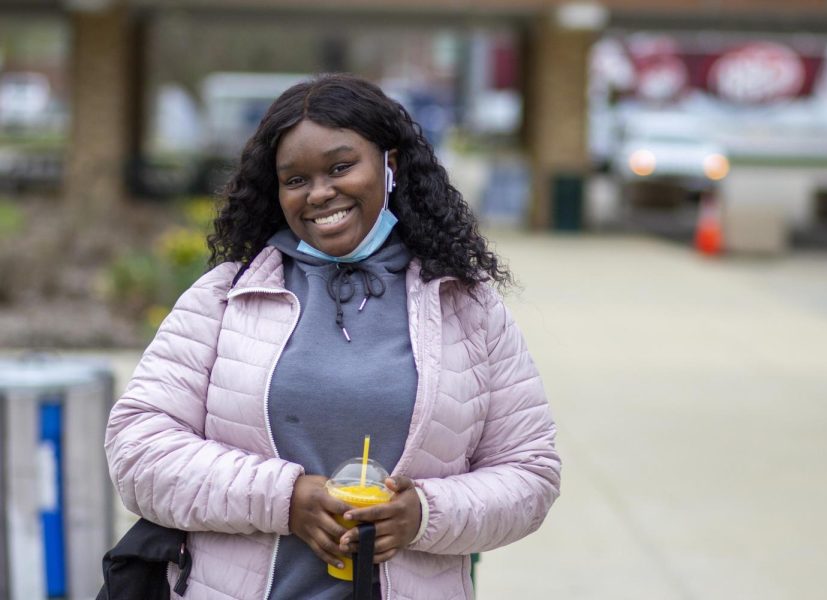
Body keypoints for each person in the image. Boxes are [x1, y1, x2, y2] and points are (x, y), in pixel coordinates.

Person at [105, 73, 561, 600]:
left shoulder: (465, 304)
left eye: (342, 167)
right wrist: (284, 499)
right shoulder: (223, 298)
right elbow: (137, 451)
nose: (320, 193)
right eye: (295, 179)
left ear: (389, 166)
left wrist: (425, 515)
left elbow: (530, 473)